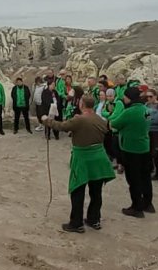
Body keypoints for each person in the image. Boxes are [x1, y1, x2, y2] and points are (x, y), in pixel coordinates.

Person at [44, 94, 115, 232]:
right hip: (99, 158)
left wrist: (46, 120)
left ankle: (76, 223)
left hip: (83, 158)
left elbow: (62, 126)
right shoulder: (101, 119)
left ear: (81, 105)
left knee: (77, 191)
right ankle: (94, 220)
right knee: (96, 192)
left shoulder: (79, 119)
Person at [111, 86, 154, 218]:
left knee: (133, 179)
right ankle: (147, 203)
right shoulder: (146, 110)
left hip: (131, 148)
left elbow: (115, 124)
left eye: (125, 96)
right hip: (145, 147)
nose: (123, 98)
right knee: (145, 176)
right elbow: (147, 123)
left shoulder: (129, 112)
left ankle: (137, 207)